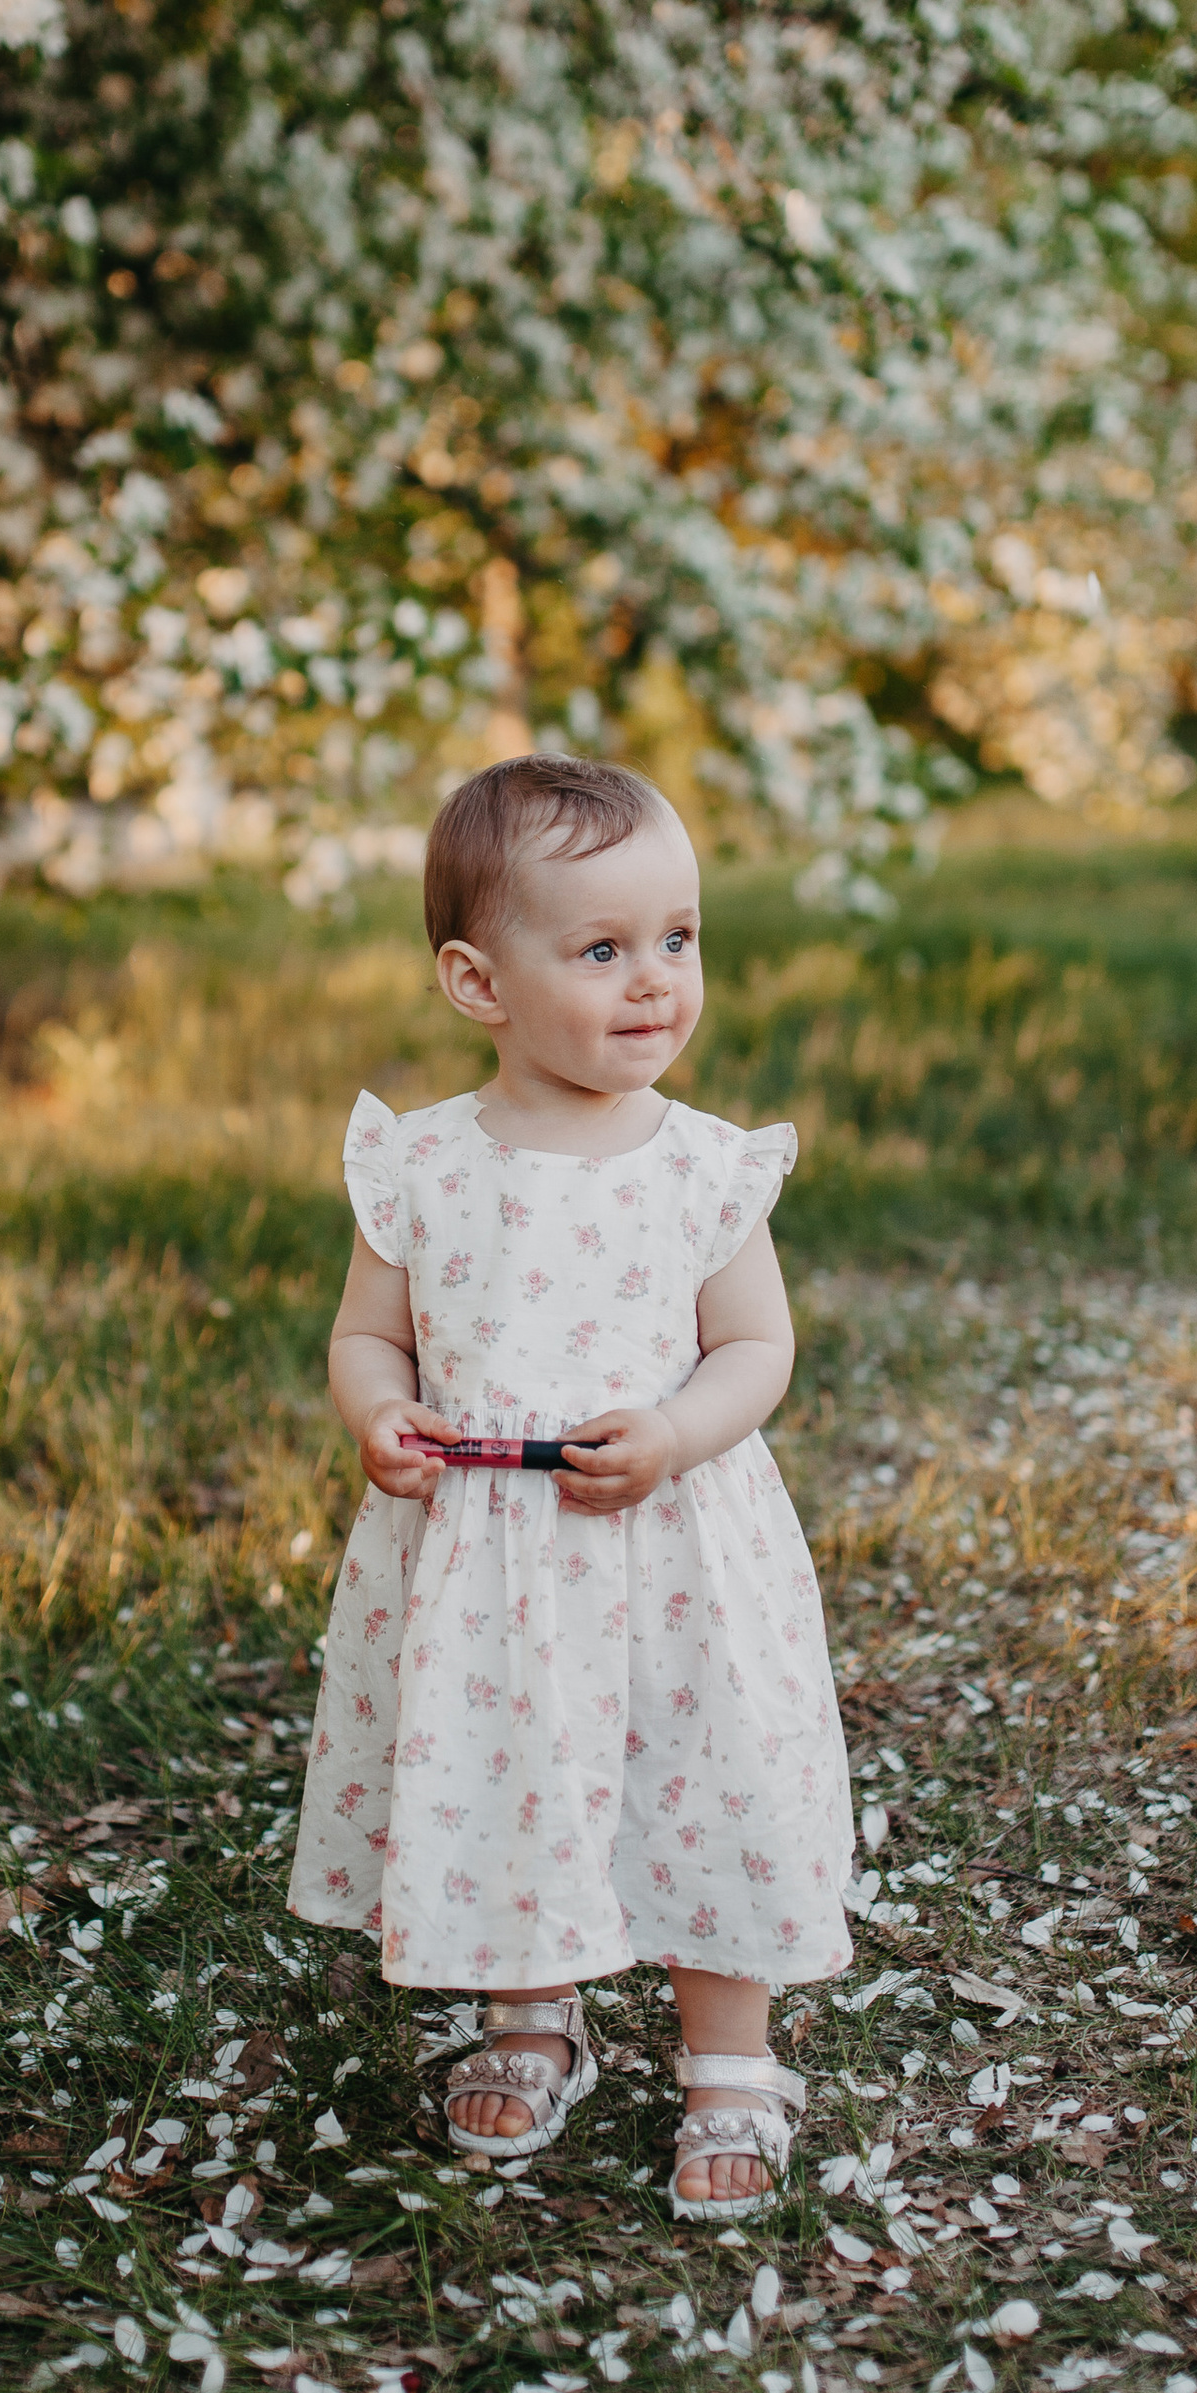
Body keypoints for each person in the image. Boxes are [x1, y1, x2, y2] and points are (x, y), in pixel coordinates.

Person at [288, 754, 854, 2217]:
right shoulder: (420, 1166)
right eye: (601, 950)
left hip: (668, 1543)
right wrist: (380, 1408)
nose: (655, 981)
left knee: (702, 1773)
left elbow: (756, 1347)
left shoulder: (699, 1172)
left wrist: (677, 1431)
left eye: (679, 939)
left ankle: (731, 2053)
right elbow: (368, 1330)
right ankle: (529, 2012)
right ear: (478, 983)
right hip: (489, 1559)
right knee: (506, 1773)